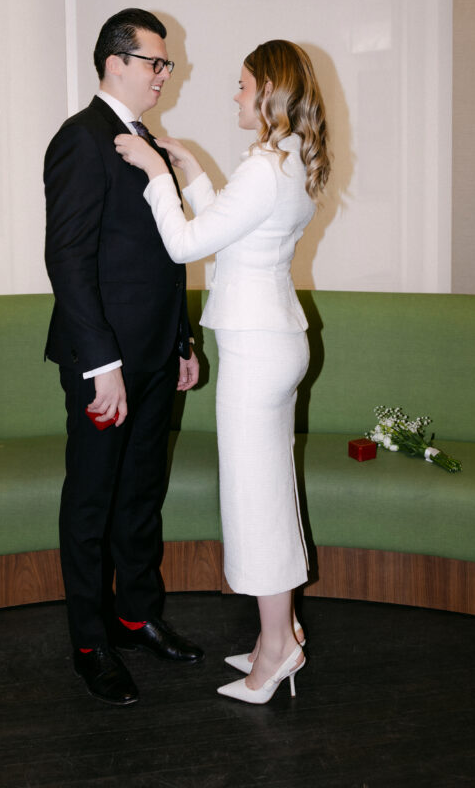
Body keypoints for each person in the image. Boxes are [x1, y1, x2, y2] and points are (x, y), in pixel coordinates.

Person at [115, 39, 330, 705]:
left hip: (254, 347)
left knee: (255, 504)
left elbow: (185, 242)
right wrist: (193, 170)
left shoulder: (265, 167)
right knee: (272, 496)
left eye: (241, 85)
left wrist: (155, 171)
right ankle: (281, 632)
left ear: (267, 91)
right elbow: (238, 232)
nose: (234, 95)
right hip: (276, 340)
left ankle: (275, 651)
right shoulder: (286, 159)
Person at [43, 8, 204, 707]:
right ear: (114, 63)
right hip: (103, 366)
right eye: (155, 63)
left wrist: (181, 341)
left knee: (140, 495)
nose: (164, 76)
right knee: (91, 503)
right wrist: (101, 365)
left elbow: (169, 254)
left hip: (153, 359)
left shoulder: (151, 144)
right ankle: (89, 642)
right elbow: (69, 259)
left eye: (165, 64)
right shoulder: (80, 140)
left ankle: (136, 616)